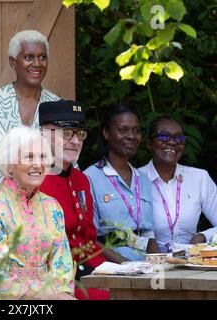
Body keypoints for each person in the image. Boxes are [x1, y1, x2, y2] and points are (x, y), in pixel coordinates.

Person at [0, 126, 75, 300]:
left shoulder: (52, 207)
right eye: (29, 156)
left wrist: (63, 294)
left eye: (42, 157)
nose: (38, 164)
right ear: (10, 165)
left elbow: (62, 263)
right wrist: (46, 297)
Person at [0, 29, 60, 196]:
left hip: (46, 211)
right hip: (0, 210)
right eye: (28, 57)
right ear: (13, 62)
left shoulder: (57, 106)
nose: (37, 64)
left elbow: (66, 165)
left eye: (42, 57)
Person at [38, 100, 109, 300]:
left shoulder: (81, 180)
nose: (76, 141)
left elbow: (87, 239)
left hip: (87, 270)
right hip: (53, 282)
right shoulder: (32, 180)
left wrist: (114, 272)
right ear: (44, 133)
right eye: (66, 133)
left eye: (80, 134)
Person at [84, 104, 160, 262]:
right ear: (106, 133)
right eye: (123, 130)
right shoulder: (90, 178)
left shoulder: (143, 180)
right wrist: (125, 266)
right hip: (110, 267)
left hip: (144, 266)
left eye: (136, 130)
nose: (131, 136)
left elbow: (148, 235)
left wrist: (159, 267)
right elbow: (90, 238)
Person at [139, 116, 217, 252]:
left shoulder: (199, 178)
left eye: (179, 138)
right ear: (149, 144)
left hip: (192, 263)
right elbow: (124, 232)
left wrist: (204, 236)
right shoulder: (136, 179)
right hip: (148, 264)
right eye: (164, 137)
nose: (172, 142)